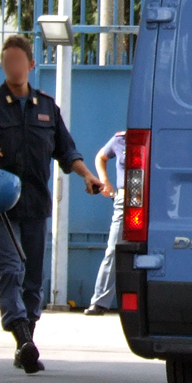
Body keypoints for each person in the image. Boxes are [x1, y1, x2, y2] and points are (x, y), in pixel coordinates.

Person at [0, 35, 105, 373]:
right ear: (3, 65)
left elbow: (66, 151)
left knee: (33, 279)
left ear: (30, 65)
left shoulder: (47, 107)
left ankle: (26, 339)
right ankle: (24, 339)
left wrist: (86, 175)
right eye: (7, 61)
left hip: (36, 204)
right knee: (10, 270)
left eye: (18, 61)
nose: (13, 67)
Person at [85, 131, 126, 315]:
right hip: (126, 200)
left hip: (158, 200)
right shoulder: (121, 139)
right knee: (113, 249)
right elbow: (101, 157)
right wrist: (105, 182)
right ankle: (100, 301)